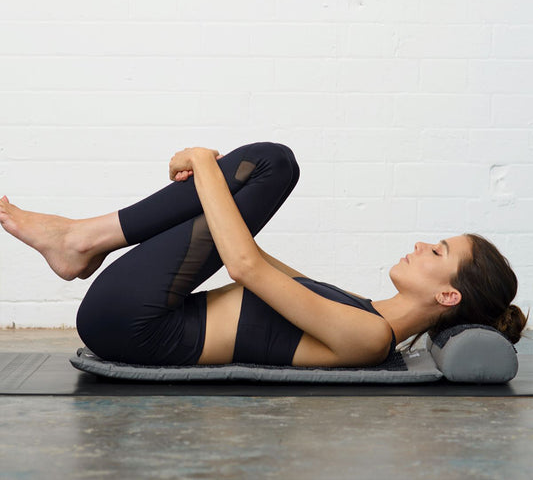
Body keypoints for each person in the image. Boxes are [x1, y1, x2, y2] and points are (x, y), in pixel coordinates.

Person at [0, 142, 528, 367]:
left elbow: (244, 266)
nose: (420, 245)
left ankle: (78, 241)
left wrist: (205, 162)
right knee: (268, 166)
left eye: (437, 250)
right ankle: (79, 241)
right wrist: (217, 182)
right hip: (140, 316)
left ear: (447, 293)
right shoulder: (363, 308)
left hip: (131, 325)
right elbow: (256, 256)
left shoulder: (369, 337)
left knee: (274, 165)